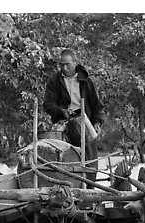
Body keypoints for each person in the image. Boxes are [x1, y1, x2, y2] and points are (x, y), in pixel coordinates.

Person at [43, 48, 104, 183]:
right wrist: (61, 111)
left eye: (67, 64)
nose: (64, 68)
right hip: (62, 122)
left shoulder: (86, 81)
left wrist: (97, 122)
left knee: (90, 159)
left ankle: (90, 190)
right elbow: (47, 104)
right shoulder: (54, 81)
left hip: (84, 121)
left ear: (75, 63)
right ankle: (63, 187)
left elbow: (97, 106)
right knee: (60, 159)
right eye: (61, 65)